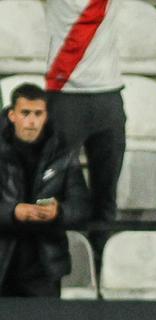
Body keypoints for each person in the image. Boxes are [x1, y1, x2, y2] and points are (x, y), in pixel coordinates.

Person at [0, 84, 89, 297]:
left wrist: (60, 211)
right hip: (3, 262)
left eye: (38, 114)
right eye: (25, 113)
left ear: (46, 115)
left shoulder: (63, 153)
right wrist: (13, 212)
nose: (32, 121)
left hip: (44, 266)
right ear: (12, 115)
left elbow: (82, 206)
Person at [45, 0, 125, 224]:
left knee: (106, 192)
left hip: (108, 95)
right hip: (65, 95)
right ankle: (59, 255)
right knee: (54, 189)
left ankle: (102, 256)